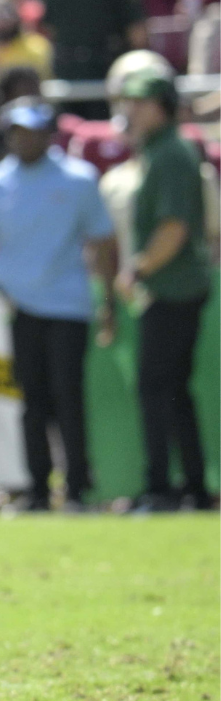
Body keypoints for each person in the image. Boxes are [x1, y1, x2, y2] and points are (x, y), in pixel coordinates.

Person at [0, 99, 118, 511]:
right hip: (20, 307)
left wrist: (108, 303)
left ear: (49, 135)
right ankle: (38, 487)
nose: (25, 140)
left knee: (68, 396)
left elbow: (102, 241)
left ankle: (78, 486)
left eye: (33, 132)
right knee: (32, 402)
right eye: (17, 132)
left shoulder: (79, 179)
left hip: (68, 306)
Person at [115, 70, 213, 512]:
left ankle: (162, 487)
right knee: (173, 389)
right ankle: (191, 485)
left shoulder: (170, 153)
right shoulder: (164, 150)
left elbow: (173, 227)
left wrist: (138, 268)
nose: (130, 109)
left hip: (173, 287)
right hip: (177, 286)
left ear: (161, 105)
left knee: (156, 388)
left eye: (140, 101)